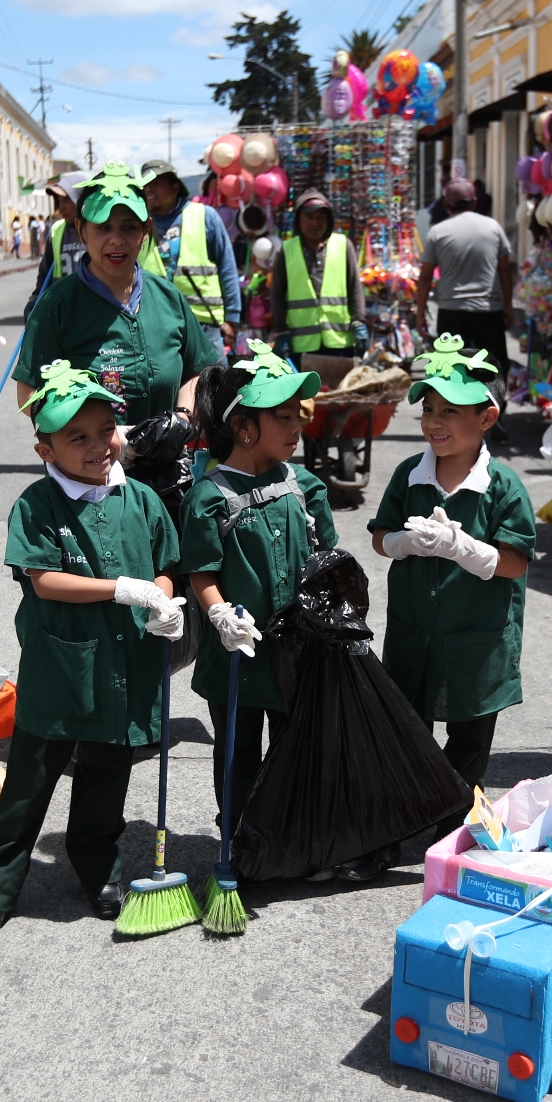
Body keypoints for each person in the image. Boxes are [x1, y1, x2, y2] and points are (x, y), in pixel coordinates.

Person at [0, 362, 187, 948]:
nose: (96, 446)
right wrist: (121, 589)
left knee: (107, 778)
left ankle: (97, 870)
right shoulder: (37, 506)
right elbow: (43, 580)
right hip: (60, 668)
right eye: (75, 437)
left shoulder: (141, 499)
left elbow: (164, 561)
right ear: (44, 446)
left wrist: (161, 598)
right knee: (29, 784)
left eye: (105, 429)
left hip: (124, 665)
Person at [369, 334, 535, 860]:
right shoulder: (409, 475)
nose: (435, 423)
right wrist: (405, 542)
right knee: (408, 735)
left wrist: (462, 546)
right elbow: (380, 537)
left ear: (487, 419)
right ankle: (401, 823)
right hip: (414, 634)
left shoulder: (503, 486)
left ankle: (456, 827)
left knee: (468, 743)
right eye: (429, 411)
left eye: (450, 412)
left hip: (476, 645)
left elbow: (515, 561)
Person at [183, 344, 336, 825]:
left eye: (298, 415)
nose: (298, 427)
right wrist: (219, 614)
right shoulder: (209, 498)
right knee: (237, 751)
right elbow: (201, 572)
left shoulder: (305, 486)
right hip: (236, 654)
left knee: (297, 747)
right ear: (244, 428)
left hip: (297, 651)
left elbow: (327, 560)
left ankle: (290, 838)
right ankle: (241, 840)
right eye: (283, 417)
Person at [13, 163, 219, 426]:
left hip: (165, 463)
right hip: (90, 464)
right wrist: (98, 435)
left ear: (145, 231)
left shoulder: (169, 298)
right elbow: (29, 395)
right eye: (103, 227)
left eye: (129, 227)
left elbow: (197, 371)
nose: (117, 239)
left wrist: (181, 418)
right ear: (81, 229)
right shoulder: (57, 305)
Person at [414, 177, 517, 392]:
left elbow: (425, 277)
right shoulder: (493, 228)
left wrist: (420, 313)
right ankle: (493, 411)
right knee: (491, 366)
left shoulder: (438, 232)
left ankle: (455, 413)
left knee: (451, 369)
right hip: (488, 309)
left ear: (446, 204)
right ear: (474, 202)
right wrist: (508, 306)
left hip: (452, 310)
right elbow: (505, 270)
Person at [138, 159, 241, 356]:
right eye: (145, 185)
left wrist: (232, 318)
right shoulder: (136, 224)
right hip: (155, 325)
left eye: (157, 184)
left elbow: (227, 267)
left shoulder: (205, 216)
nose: (150, 190)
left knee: (213, 383)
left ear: (175, 188)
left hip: (204, 323)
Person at [276, 189, 367, 359]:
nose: (315, 223)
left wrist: (359, 321)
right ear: (299, 219)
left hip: (339, 341)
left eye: (321, 218)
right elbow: (277, 294)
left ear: (329, 220)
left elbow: (355, 286)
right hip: (302, 344)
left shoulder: (343, 245)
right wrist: (281, 330)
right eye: (309, 218)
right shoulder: (286, 250)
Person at [32, 174, 88, 307]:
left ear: (82, 200)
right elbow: (45, 273)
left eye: (67, 200)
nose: (61, 208)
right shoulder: (56, 230)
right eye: (59, 201)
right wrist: (35, 300)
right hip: (64, 309)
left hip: (92, 309)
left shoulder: (98, 230)